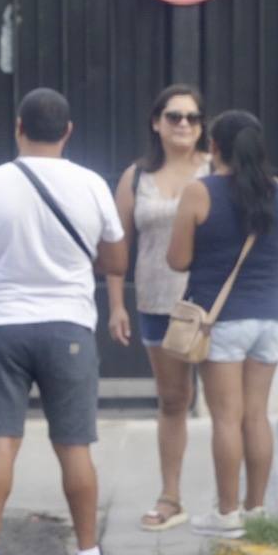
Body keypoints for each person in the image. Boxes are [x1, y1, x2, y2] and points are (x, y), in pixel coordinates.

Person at [0, 88, 127, 555]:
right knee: (74, 445)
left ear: (18, 126)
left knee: (0, 440)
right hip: (68, 326)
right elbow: (115, 262)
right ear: (68, 132)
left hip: (1, 327)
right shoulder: (92, 185)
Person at [169, 110, 278, 538]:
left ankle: (226, 514)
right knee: (257, 415)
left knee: (226, 418)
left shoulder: (200, 192)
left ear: (214, 147)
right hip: (273, 314)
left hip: (223, 320)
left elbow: (177, 259)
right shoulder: (276, 189)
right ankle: (256, 510)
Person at [106, 85, 210, 531]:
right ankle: (171, 496)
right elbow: (116, 244)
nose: (183, 124)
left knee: (229, 408)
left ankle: (236, 504)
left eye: (191, 117)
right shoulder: (136, 177)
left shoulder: (214, 171)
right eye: (173, 116)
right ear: (156, 122)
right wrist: (115, 304)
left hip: (211, 305)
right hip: (156, 302)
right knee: (173, 400)